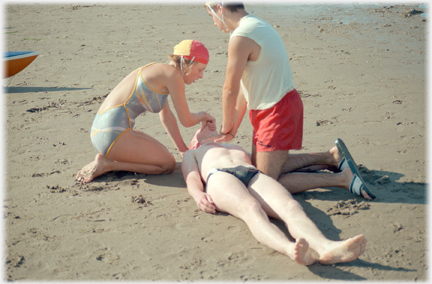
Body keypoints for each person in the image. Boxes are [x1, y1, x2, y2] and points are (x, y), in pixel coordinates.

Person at [204, 2, 376, 200]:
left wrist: (225, 125)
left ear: (219, 8)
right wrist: (232, 127)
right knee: (260, 166)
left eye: (211, 16)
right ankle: (331, 157)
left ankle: (342, 179)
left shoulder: (241, 36)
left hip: (276, 110)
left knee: (264, 183)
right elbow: (244, 87)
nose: (214, 24)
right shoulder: (256, 24)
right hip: (272, 107)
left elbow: (229, 89)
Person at [182, 125, 367, 265]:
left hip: (252, 173)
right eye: (199, 130)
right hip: (219, 176)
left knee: (290, 206)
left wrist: (321, 164)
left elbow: (275, 165)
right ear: (194, 141)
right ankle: (289, 248)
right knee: (251, 208)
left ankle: (326, 247)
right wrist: (198, 195)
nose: (206, 128)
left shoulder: (233, 146)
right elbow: (191, 178)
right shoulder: (193, 152)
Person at [76, 40, 216, 183]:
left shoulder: (160, 71)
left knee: (166, 156)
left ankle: (109, 157)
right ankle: (108, 164)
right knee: (167, 165)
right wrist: (204, 116)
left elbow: (167, 117)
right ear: (189, 63)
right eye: (200, 70)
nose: (201, 76)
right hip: (112, 134)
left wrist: (183, 150)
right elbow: (186, 120)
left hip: (103, 130)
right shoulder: (173, 75)